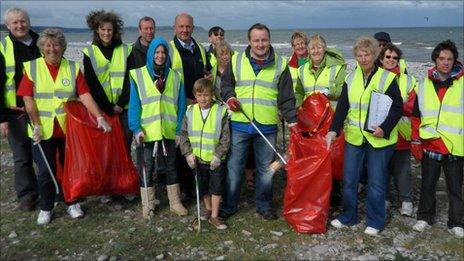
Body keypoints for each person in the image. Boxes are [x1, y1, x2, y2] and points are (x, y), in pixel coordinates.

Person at [18, 28, 112, 225]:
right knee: (45, 171)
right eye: (48, 45)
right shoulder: (32, 68)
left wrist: (99, 117)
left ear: (63, 47)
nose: (52, 48)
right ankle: (46, 207)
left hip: (68, 129)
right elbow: (28, 99)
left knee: (71, 168)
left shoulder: (72, 68)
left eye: (56, 44)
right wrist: (35, 124)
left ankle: (72, 202)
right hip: (41, 130)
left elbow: (85, 95)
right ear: (42, 48)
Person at [220, 23, 298, 220]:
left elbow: (287, 97)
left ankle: (263, 205)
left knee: (266, 169)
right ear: (249, 41)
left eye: (264, 40)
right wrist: (230, 98)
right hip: (239, 123)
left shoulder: (281, 64)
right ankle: (229, 205)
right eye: (256, 40)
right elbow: (226, 85)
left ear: (269, 40)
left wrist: (292, 121)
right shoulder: (236, 60)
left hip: (267, 125)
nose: (260, 44)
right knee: (235, 167)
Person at [326, 36, 402, 236]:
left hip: (378, 139)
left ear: (375, 54)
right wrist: (334, 130)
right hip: (354, 138)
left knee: (376, 182)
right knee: (349, 180)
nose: (363, 58)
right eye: (359, 55)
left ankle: (375, 221)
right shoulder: (350, 79)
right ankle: (348, 216)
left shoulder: (387, 78)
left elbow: (397, 108)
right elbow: (342, 107)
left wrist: (384, 127)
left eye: (366, 54)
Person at [128, 36, 188, 217]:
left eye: (163, 52)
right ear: (151, 54)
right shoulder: (137, 75)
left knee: (171, 166)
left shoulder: (176, 77)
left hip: (169, 130)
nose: (160, 56)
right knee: (146, 166)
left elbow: (181, 105)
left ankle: (175, 202)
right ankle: (148, 204)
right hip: (146, 132)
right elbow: (134, 105)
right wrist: (136, 128)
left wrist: (178, 129)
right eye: (157, 52)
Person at [409, 40, 463, 238]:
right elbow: (416, 115)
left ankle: (456, 222)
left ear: (455, 61)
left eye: (449, 59)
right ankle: (424, 217)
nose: (446, 62)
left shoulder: (462, 83)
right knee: (428, 185)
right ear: (435, 60)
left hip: (454, 144)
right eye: (442, 58)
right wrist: (415, 140)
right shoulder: (425, 84)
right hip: (431, 142)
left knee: (455, 188)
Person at [83, 10, 132, 202]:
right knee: (105, 151)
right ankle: (108, 188)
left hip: (124, 108)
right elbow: (91, 84)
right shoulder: (89, 52)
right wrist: (109, 108)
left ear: (115, 30)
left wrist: (120, 104)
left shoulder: (125, 50)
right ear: (96, 30)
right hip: (103, 111)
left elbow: (130, 78)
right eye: (102, 29)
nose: (106, 33)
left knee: (125, 149)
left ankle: (124, 185)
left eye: (109, 29)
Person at [295, 34, 347, 207]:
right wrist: (296, 107)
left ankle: (335, 197)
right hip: (310, 122)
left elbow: (342, 91)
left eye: (319, 47)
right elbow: (299, 92)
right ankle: (315, 194)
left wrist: (328, 91)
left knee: (332, 158)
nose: (316, 50)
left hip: (330, 120)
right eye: (312, 48)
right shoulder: (302, 70)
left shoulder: (337, 67)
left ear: (325, 48)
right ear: (308, 51)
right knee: (313, 158)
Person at [0, 8, 40, 211]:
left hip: (41, 107)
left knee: (44, 152)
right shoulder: (3, 47)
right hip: (14, 110)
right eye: (15, 23)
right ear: (8, 26)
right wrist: (2, 118)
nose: (20, 25)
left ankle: (53, 189)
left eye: (23, 21)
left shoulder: (41, 43)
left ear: (29, 22)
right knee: (21, 155)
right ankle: (27, 195)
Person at [169, 13, 211, 200]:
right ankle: (185, 190)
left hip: (199, 106)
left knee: (198, 146)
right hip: (179, 107)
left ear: (193, 28)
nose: (185, 30)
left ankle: (199, 187)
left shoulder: (201, 49)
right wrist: (183, 100)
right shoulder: (169, 50)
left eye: (188, 26)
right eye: (181, 26)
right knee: (181, 149)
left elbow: (207, 72)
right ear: (174, 28)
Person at [179, 78, 230, 229]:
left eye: (206, 95)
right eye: (199, 95)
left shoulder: (221, 111)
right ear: (195, 95)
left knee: (216, 187)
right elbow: (183, 134)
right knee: (203, 187)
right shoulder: (190, 111)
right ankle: (207, 208)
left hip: (215, 159)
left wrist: (218, 155)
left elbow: (225, 137)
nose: (203, 98)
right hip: (197, 159)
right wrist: (187, 153)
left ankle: (215, 215)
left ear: (212, 95)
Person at [378, 43, 417, 217]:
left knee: (403, 170)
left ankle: (406, 200)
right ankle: (385, 199)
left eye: (395, 58)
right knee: (382, 168)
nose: (391, 60)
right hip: (380, 132)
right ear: (381, 58)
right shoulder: (376, 77)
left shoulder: (408, 80)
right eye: (388, 57)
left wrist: (395, 106)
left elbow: (414, 106)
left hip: (401, 132)